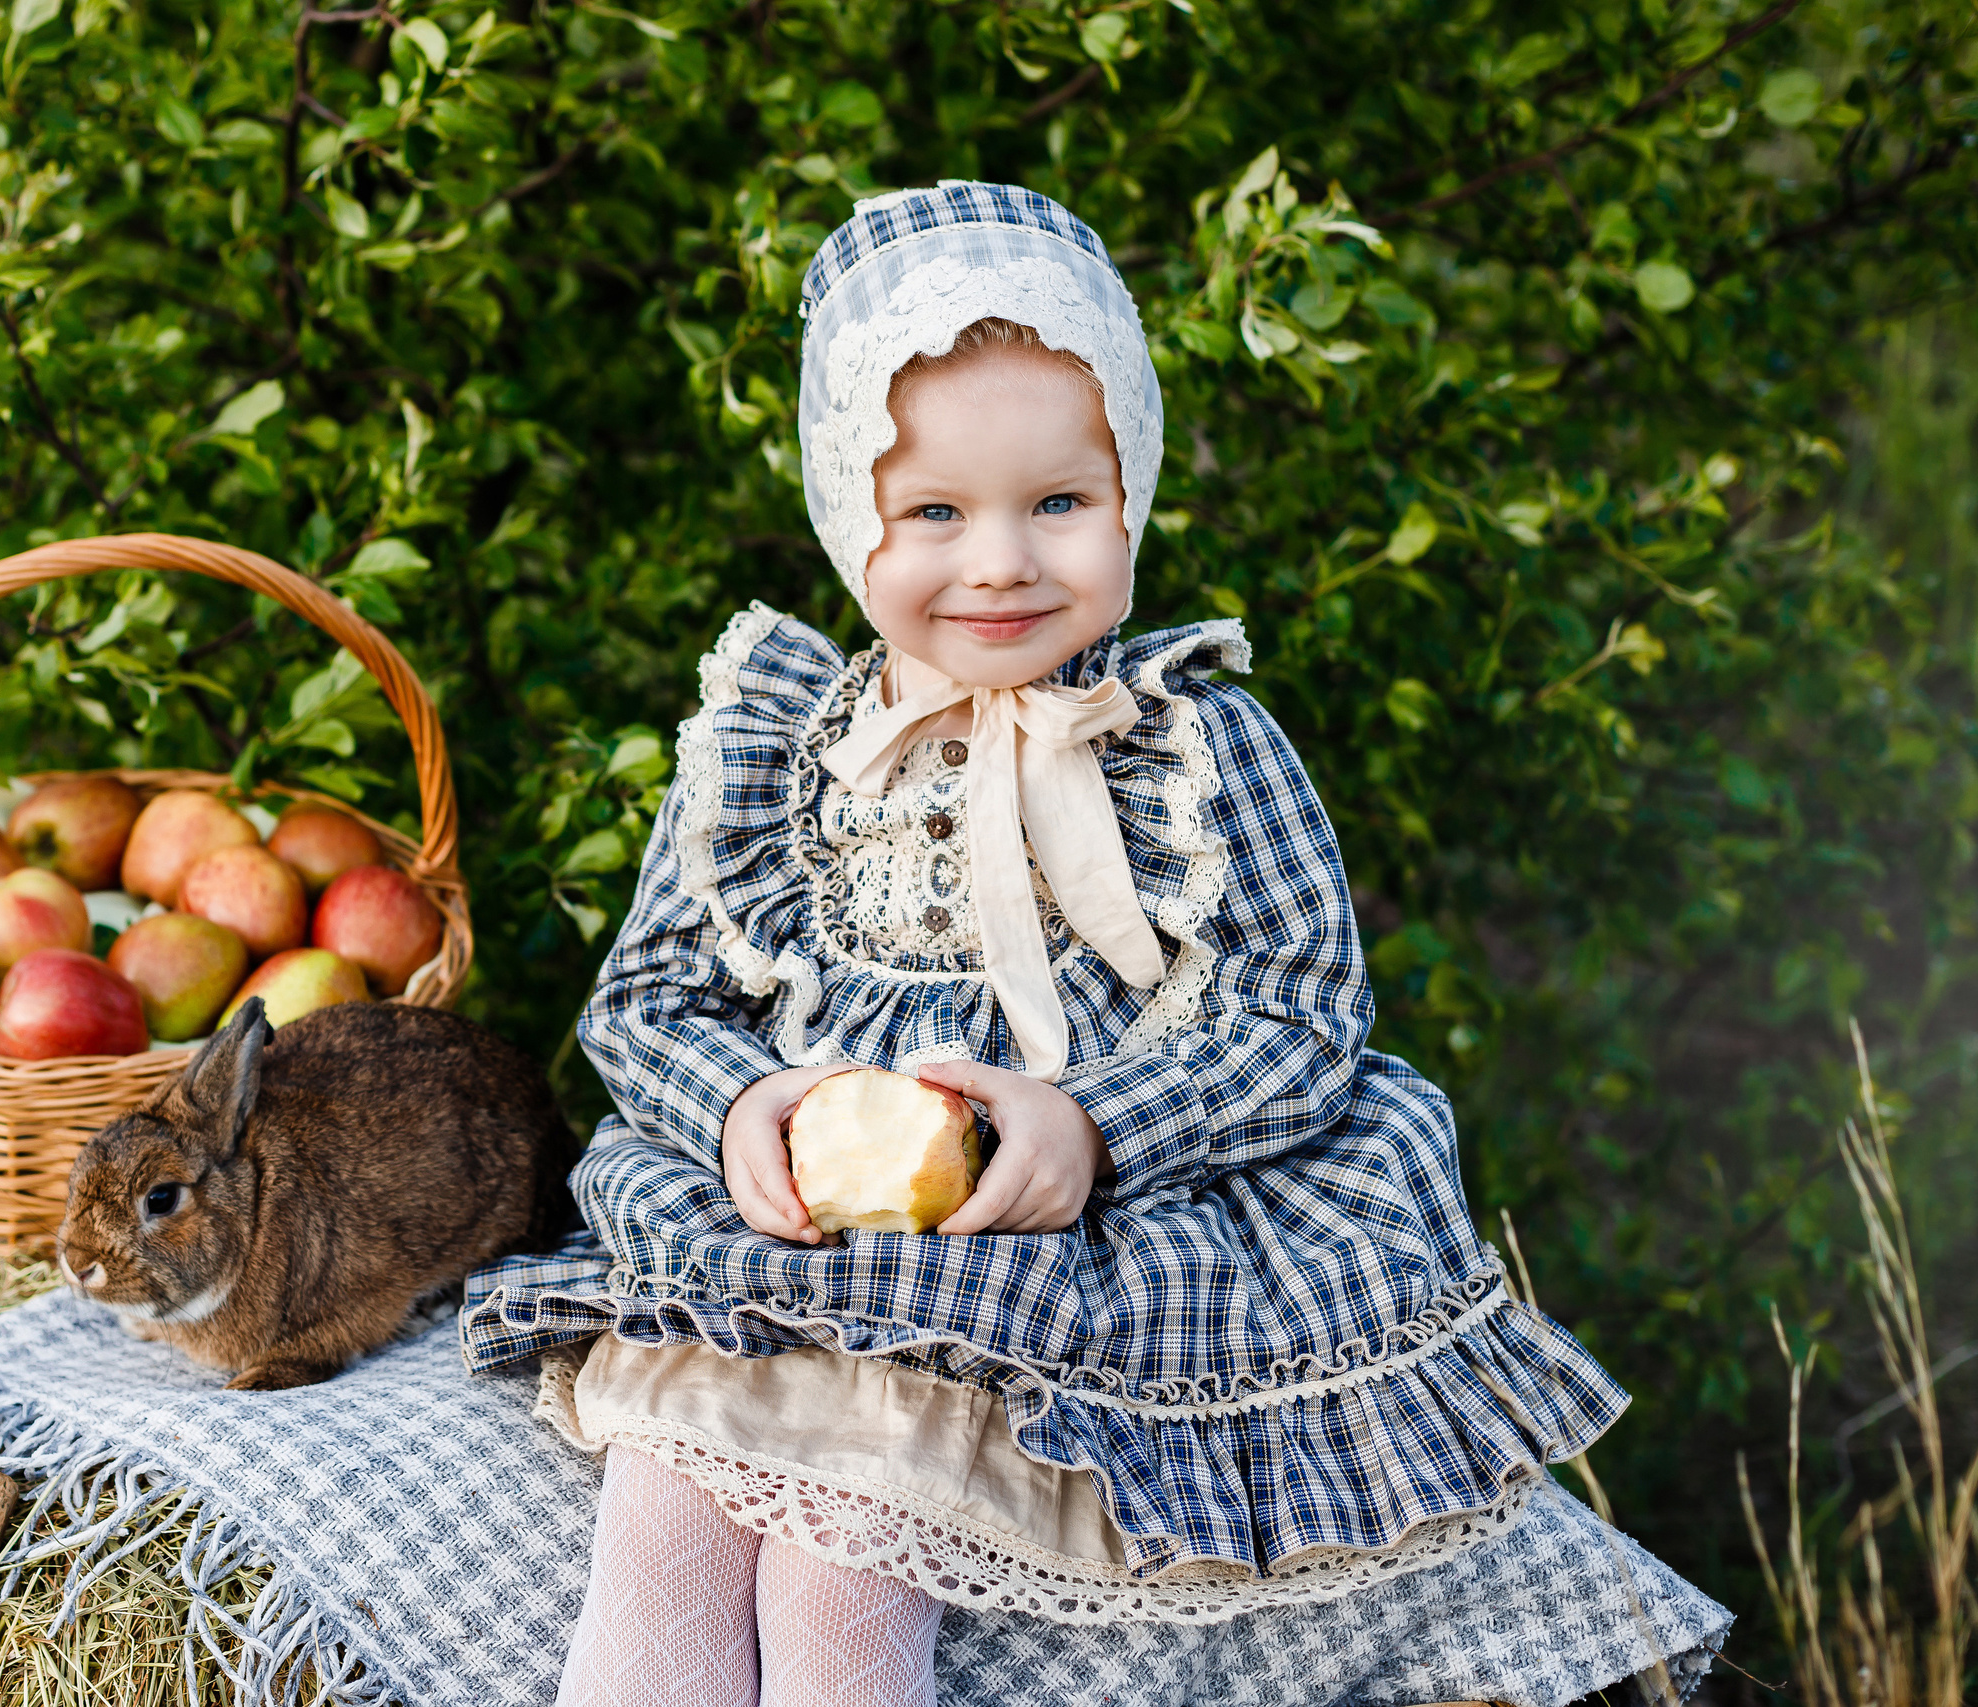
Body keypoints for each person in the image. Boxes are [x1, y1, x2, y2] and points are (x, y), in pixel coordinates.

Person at [461, 181, 1712, 1706]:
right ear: (844, 516)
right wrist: (742, 1106)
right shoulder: (779, 742)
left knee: (840, 1558)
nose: (998, 563)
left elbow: (1296, 1012)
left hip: (1037, 1253)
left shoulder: (1194, 742)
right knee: (663, 1521)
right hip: (781, 1247)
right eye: (934, 513)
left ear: (1133, 498)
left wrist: (1096, 1125)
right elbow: (649, 995)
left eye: (1058, 504)